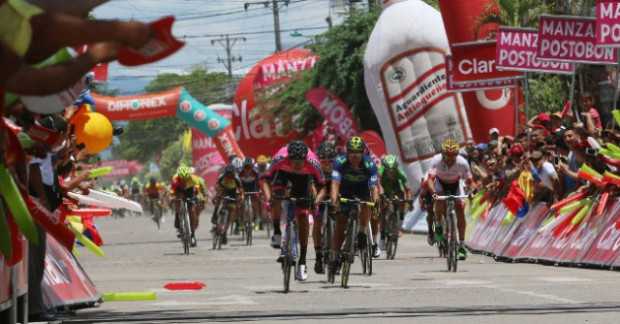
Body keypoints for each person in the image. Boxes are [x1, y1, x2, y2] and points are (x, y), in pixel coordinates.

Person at [262, 141, 325, 281]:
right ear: (288, 157)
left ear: (305, 159)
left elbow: (322, 186)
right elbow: (265, 180)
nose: (296, 165)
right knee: (276, 196)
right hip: (284, 174)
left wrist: (316, 201)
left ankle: (302, 261)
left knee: (303, 216)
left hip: (303, 180)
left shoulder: (313, 162)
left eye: (299, 162)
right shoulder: (280, 158)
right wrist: (268, 200)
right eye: (294, 161)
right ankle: (277, 232)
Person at [330, 136, 379, 272]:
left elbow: (374, 187)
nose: (354, 155)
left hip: (362, 189)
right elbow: (335, 183)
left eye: (358, 152)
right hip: (345, 191)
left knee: (367, 204)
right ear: (347, 152)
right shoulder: (340, 161)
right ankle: (335, 256)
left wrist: (375, 202)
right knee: (340, 224)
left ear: (363, 152)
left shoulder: (369, 164)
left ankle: (362, 232)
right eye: (351, 152)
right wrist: (334, 200)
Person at [426, 138, 473, 261]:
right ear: (443, 154)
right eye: (448, 155)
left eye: (453, 155)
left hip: (456, 184)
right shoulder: (436, 160)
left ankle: (462, 245)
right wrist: (434, 193)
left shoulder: (462, 163)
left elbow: (469, 181)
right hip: (440, 184)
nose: (451, 158)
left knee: (460, 211)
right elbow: (430, 179)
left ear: (457, 155)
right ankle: (438, 226)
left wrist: (471, 191)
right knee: (439, 200)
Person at [378, 154, 412, 256]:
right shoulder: (381, 171)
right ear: (385, 168)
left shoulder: (400, 173)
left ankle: (400, 220)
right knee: (383, 211)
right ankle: (382, 237)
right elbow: (377, 184)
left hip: (397, 190)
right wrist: (381, 194)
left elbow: (407, 189)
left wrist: (408, 200)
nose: (391, 172)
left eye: (393, 170)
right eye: (389, 170)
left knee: (402, 201)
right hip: (385, 190)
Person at [313, 141, 337, 274]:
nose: (327, 164)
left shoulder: (338, 169)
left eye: (330, 161)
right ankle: (318, 256)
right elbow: (312, 188)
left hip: (334, 195)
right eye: (324, 161)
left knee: (340, 221)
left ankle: (337, 254)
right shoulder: (315, 169)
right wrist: (314, 200)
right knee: (317, 222)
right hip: (320, 195)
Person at [171, 165, 203, 247]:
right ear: (179, 176)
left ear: (189, 176)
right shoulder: (175, 180)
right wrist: (172, 198)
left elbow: (197, 191)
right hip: (179, 191)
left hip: (190, 192)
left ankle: (192, 234)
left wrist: (198, 197)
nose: (184, 180)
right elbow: (173, 192)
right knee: (178, 204)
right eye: (182, 178)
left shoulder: (193, 178)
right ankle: (178, 224)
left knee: (192, 211)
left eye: (186, 178)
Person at [212, 164, 244, 245]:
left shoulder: (237, 178)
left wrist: (241, 197)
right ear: (226, 173)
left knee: (232, 210)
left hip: (232, 193)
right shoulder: (222, 177)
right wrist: (216, 196)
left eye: (231, 174)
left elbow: (241, 190)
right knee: (219, 198)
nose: (229, 175)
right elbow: (217, 186)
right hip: (223, 190)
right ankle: (215, 214)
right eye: (228, 173)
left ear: (233, 173)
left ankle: (224, 233)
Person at [239, 157, 261, 227]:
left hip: (253, 188)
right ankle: (241, 220)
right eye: (246, 167)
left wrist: (259, 191)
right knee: (241, 203)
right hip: (243, 189)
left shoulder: (256, 173)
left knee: (256, 201)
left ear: (252, 167)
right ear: (243, 167)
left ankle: (257, 217)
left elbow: (259, 184)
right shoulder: (240, 173)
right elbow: (238, 185)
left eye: (249, 167)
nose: (248, 170)